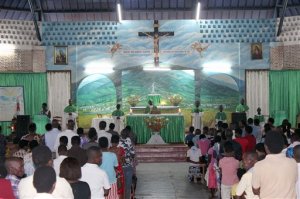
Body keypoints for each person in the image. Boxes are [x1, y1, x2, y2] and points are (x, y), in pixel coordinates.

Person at [252, 130, 298, 198]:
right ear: (283, 146)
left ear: (266, 147)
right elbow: (294, 181)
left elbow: (255, 190)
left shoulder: (259, 166)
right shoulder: (293, 162)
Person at [119, 129, 135, 199]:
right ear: (128, 134)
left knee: (120, 185)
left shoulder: (117, 141)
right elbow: (133, 154)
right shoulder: (129, 141)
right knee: (128, 186)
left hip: (119, 167)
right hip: (128, 166)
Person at [109, 135, 125, 199]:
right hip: (119, 170)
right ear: (118, 142)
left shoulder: (108, 150)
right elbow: (123, 162)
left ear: (111, 141)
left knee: (112, 185)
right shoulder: (121, 149)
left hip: (111, 170)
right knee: (120, 187)